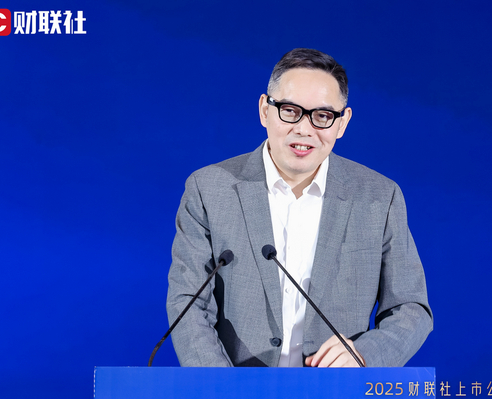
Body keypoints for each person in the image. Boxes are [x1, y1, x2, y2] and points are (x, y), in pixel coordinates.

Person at [166, 48, 432, 367]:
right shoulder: (209, 189)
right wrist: (225, 388)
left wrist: (365, 354)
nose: (304, 129)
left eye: (322, 116)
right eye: (290, 111)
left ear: (342, 123)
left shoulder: (379, 197)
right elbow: (189, 304)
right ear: (265, 110)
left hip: (335, 394)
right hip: (235, 390)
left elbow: (410, 308)